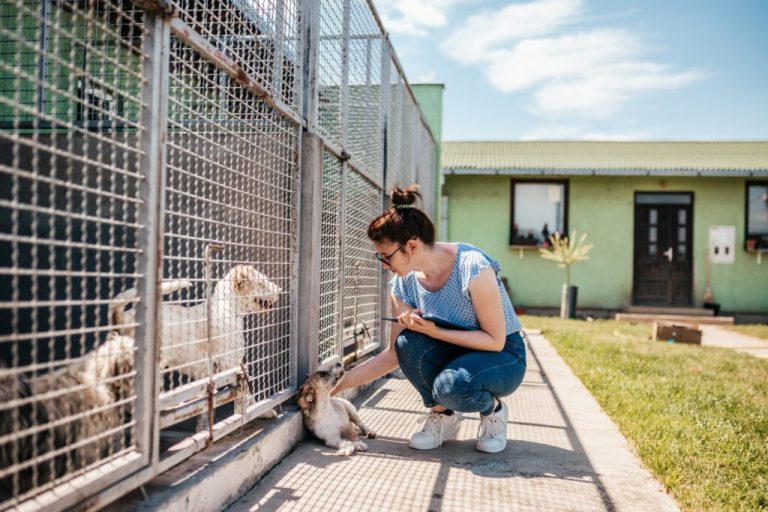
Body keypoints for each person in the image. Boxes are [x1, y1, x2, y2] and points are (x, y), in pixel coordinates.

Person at [332, 185, 527, 453]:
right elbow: (393, 356)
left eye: (386, 256)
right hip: (458, 353)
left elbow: (495, 341)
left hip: (503, 355)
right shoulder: (403, 283)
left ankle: (493, 411)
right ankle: (442, 416)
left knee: (453, 386)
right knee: (406, 343)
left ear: (411, 246)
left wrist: (435, 332)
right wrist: (333, 387)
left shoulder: (472, 266)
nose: (383, 264)